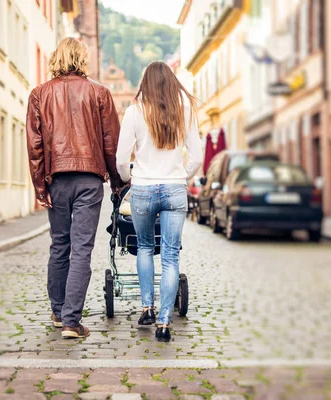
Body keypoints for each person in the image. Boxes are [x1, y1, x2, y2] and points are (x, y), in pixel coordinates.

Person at [26, 37, 124, 339]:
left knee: (59, 244)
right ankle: (71, 321)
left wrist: (40, 187)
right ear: (83, 60)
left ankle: (58, 312)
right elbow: (112, 144)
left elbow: (36, 146)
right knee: (81, 248)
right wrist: (118, 183)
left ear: (56, 59)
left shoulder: (39, 95)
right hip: (89, 179)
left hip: (56, 178)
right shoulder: (100, 93)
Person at [116, 61, 203, 342]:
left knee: (143, 246)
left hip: (142, 187)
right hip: (175, 188)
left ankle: (147, 308)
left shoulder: (134, 112)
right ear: (171, 82)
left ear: (146, 83)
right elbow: (197, 157)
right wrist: (182, 177)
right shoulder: (185, 110)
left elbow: (121, 159)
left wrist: (129, 178)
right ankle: (164, 323)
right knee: (170, 256)